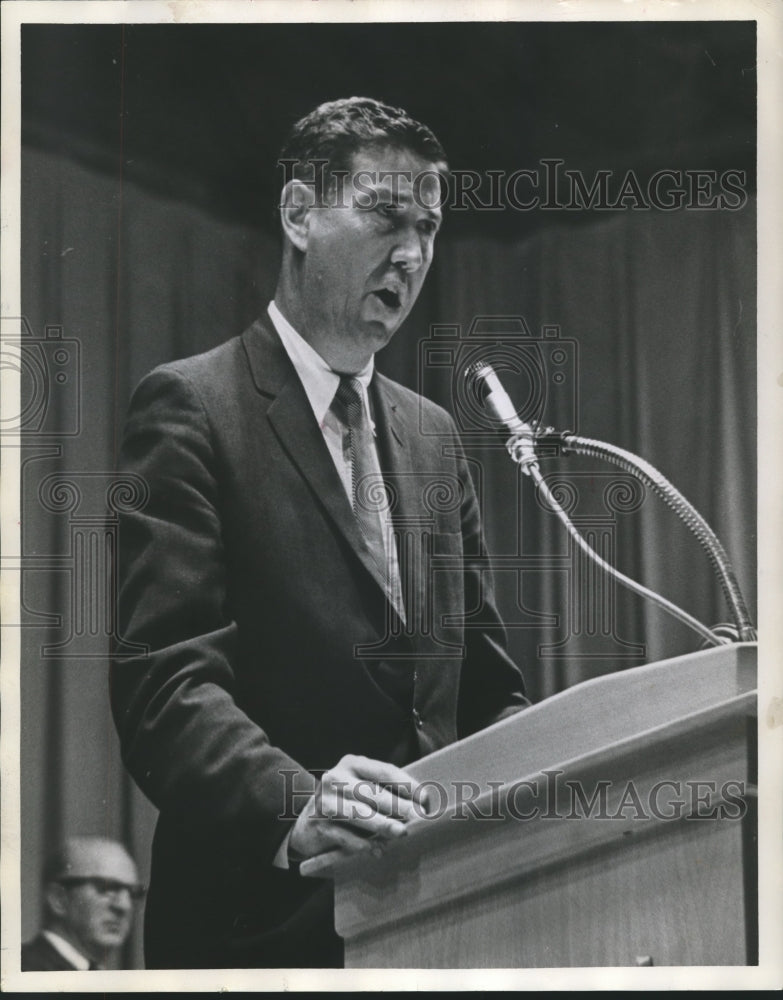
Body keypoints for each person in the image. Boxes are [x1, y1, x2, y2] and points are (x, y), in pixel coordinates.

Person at [110, 96, 528, 969]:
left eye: (428, 226)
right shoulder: (190, 406)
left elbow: (485, 687)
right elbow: (165, 681)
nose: (411, 254)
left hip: (444, 920)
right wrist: (296, 807)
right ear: (299, 213)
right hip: (259, 927)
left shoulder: (433, 436)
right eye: (384, 215)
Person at [21, 836, 141, 971]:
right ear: (58, 899)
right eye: (107, 888)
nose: (125, 906)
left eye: (133, 893)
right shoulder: (22, 969)